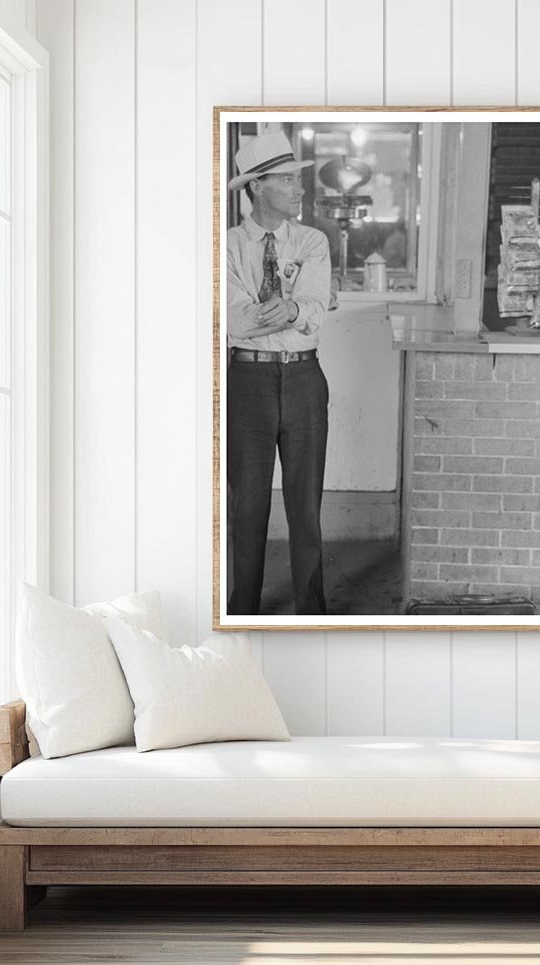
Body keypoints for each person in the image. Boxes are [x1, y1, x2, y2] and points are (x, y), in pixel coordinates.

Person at [225, 131, 333, 614]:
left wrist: (290, 309)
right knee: (247, 507)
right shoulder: (224, 247)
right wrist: (289, 308)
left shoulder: (313, 242)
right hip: (247, 383)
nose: (299, 189)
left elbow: (312, 310)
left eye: (297, 180)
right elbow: (233, 319)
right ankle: (242, 609)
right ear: (257, 188)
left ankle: (312, 609)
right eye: (287, 181)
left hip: (304, 380)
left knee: (305, 508)